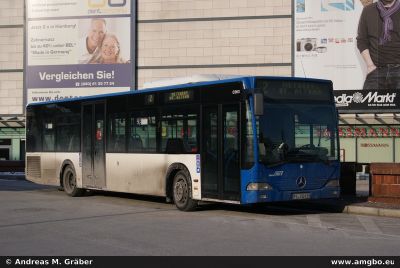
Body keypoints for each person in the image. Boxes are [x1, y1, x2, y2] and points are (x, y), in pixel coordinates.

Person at [357, 0, 400, 89]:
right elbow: (362, 40)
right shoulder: (368, 10)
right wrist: (370, 65)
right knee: (367, 102)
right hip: (376, 70)